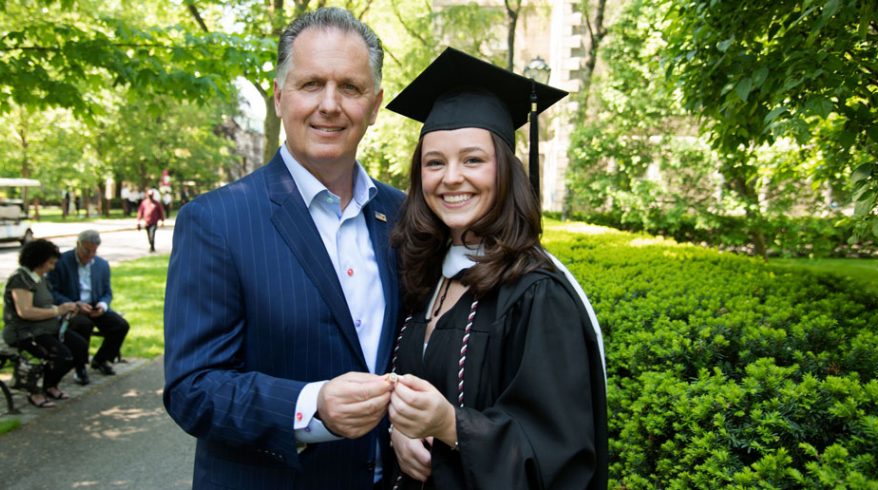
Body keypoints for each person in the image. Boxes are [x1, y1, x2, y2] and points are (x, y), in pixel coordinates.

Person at [163, 7, 405, 489]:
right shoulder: (216, 220)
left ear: (375, 105)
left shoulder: (404, 217)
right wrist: (310, 405)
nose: (330, 104)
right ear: (279, 96)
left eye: (351, 88)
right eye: (311, 84)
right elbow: (192, 387)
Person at [384, 48, 608, 489]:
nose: (451, 178)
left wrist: (450, 426)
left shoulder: (537, 295)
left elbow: (560, 457)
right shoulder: (428, 276)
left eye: (472, 160)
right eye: (435, 162)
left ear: (504, 170)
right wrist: (399, 430)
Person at [2, 239, 87, 408]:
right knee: (62, 355)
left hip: (46, 328)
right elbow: (25, 311)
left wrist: (70, 307)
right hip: (25, 332)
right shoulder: (20, 279)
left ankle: (50, 385)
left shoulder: (41, 279)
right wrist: (58, 311)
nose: (52, 267)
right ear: (38, 261)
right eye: (50, 263)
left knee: (79, 348)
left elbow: (47, 304)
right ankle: (35, 391)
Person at [48, 230, 130, 384]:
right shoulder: (61, 262)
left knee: (120, 325)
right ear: (78, 244)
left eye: (94, 251)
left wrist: (102, 305)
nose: (90, 255)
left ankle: (101, 359)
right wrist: (75, 305)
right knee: (82, 325)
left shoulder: (102, 264)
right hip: (72, 307)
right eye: (86, 250)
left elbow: (107, 292)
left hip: (94, 305)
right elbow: (53, 292)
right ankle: (80, 367)